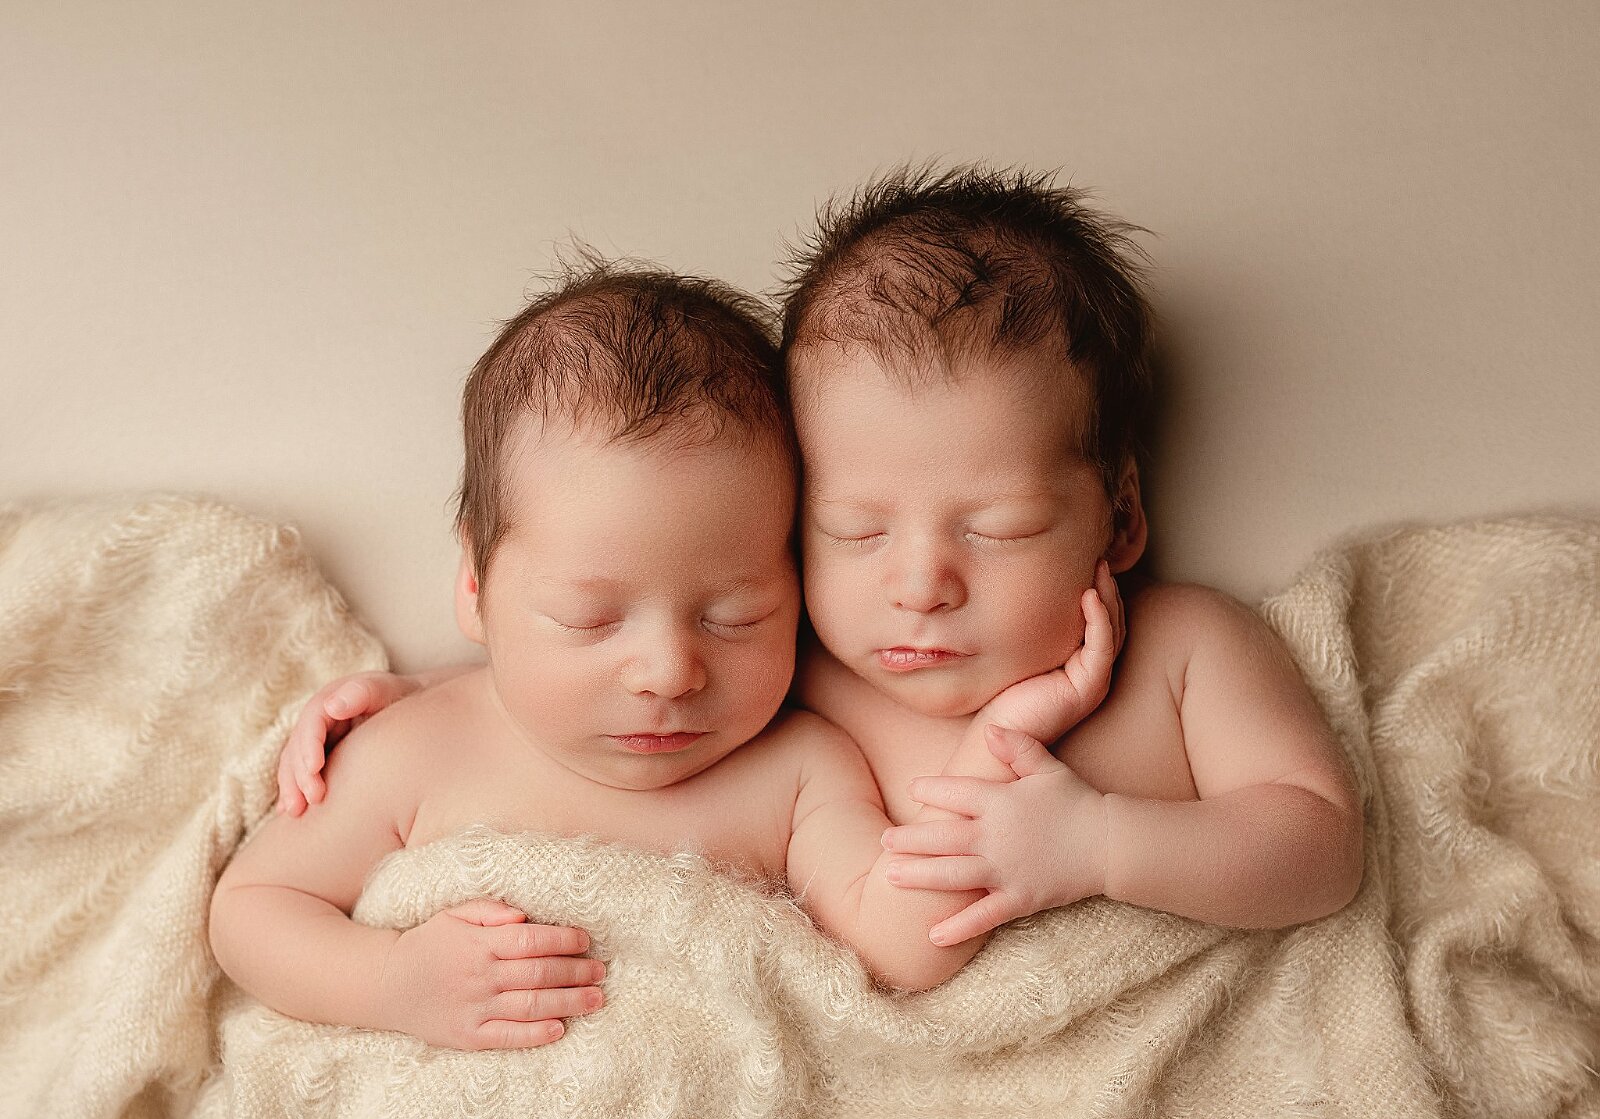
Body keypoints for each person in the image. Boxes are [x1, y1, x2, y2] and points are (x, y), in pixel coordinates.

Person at [278, 164, 1363, 965]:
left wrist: (1103, 841)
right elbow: (628, 668)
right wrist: (415, 692)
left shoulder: (1187, 647)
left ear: (1120, 512)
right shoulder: (802, 674)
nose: (920, 583)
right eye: (853, 532)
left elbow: (1319, 847)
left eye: (996, 527)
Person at [211, 259, 1118, 1053]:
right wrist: (390, 982)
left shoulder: (799, 771)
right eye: (589, 620)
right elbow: (250, 912)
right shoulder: (416, 749)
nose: (668, 673)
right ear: (478, 591)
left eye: (736, 616)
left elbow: (906, 948)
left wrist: (998, 744)